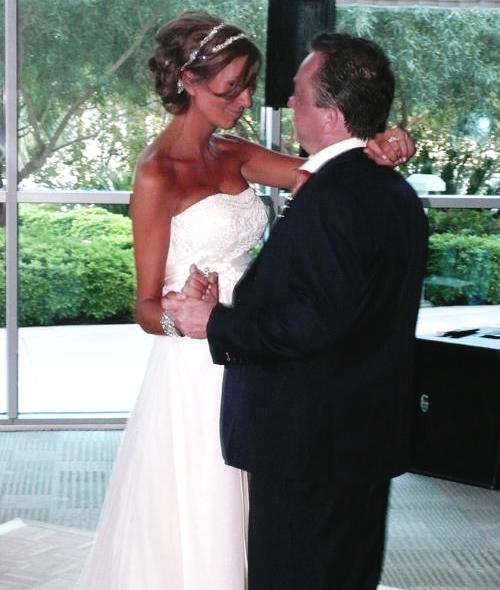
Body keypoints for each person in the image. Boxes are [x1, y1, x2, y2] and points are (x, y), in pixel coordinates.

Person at [75, 11, 415, 590]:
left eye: (248, 85)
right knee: (206, 511)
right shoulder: (157, 174)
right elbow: (144, 307)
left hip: (264, 350)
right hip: (198, 362)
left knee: (274, 516)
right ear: (188, 81)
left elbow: (329, 176)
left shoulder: (235, 152)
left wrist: (377, 144)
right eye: (231, 88)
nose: (246, 100)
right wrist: (187, 314)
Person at [164, 32, 428, 590]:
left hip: (310, 445)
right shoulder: (393, 191)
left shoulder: (334, 197)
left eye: (298, 94)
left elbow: (312, 321)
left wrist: (214, 322)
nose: (287, 103)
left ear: (330, 115)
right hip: (358, 439)